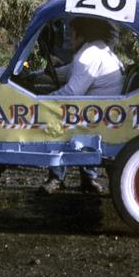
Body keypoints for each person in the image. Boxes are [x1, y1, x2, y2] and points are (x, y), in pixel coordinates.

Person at [39, 16, 124, 195]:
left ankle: (58, 177)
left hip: (98, 117)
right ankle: (86, 178)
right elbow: (71, 72)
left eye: (72, 33)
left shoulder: (88, 56)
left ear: (82, 35)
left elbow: (71, 92)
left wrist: (43, 101)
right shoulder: (97, 49)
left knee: (55, 119)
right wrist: (38, 75)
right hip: (103, 112)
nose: (70, 38)